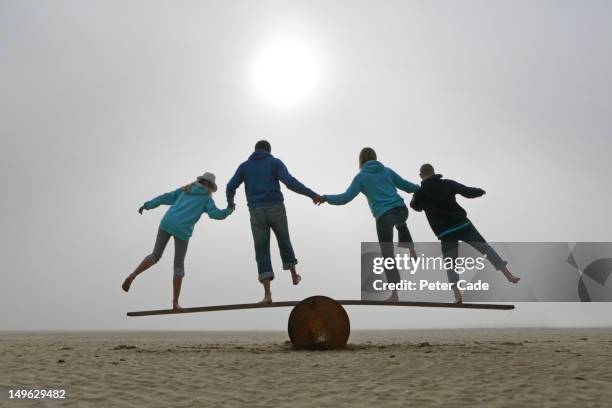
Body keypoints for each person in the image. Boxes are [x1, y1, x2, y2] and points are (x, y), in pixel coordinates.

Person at [226, 140, 322, 303]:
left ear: (255, 150)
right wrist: (312, 194)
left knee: (261, 250)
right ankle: (294, 275)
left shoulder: (245, 166)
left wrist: (231, 203)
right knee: (284, 241)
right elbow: (290, 182)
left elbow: (230, 186)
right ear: (269, 150)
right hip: (276, 207)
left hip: (256, 211)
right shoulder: (274, 162)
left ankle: (267, 294)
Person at [320, 147, 420, 302]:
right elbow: (407, 186)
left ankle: (394, 294)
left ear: (361, 161)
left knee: (387, 254)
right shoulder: (386, 171)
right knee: (401, 223)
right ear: (375, 157)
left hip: (384, 216)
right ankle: (411, 248)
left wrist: (326, 198)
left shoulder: (361, 177)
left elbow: (345, 198)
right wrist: (423, 188)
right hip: (401, 210)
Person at [410, 163, 520, 303]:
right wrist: (480, 191)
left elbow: (414, 206)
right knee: (484, 248)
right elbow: (467, 191)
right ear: (434, 172)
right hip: (462, 225)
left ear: (420, 175)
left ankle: (457, 295)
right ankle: (509, 275)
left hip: (446, 232)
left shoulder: (420, 193)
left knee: (451, 263)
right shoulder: (447, 183)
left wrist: (417, 193)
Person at [122, 172, 233, 310]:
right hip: (182, 230)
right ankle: (175, 303)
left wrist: (147, 205)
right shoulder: (206, 199)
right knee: (178, 266)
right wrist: (229, 210)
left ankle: (132, 276)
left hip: (167, 222)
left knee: (155, 255)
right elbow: (216, 215)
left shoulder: (185, 190)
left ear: (200, 181)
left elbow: (165, 197)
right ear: (210, 186)